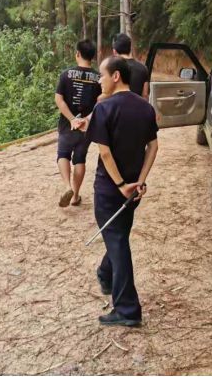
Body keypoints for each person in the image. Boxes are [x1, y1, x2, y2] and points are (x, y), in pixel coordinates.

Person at [86, 56, 159, 326]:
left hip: (110, 189)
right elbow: (153, 146)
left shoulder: (104, 109)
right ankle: (106, 275)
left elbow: (104, 152)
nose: (99, 81)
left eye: (102, 76)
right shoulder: (145, 108)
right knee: (117, 236)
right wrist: (139, 181)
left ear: (116, 76)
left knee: (117, 241)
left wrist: (120, 185)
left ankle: (127, 310)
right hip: (133, 191)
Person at [54, 39, 101, 207]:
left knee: (63, 154)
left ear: (78, 54)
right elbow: (101, 102)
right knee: (80, 159)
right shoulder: (99, 78)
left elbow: (59, 99)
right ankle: (75, 196)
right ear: (93, 57)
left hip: (68, 124)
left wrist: (72, 119)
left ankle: (68, 187)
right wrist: (86, 119)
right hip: (86, 126)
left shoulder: (66, 74)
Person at [112, 33, 149, 99]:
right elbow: (145, 95)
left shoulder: (112, 68)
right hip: (137, 107)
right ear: (130, 49)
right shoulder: (143, 68)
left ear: (114, 51)